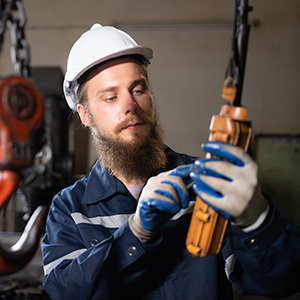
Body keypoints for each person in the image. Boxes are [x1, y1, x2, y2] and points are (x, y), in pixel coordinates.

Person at [41, 24, 300, 300]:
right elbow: (66, 292)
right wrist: (135, 233)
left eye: (138, 89)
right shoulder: (70, 209)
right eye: (111, 97)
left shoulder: (206, 185)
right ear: (85, 115)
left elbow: (280, 283)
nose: (130, 105)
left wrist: (257, 220)